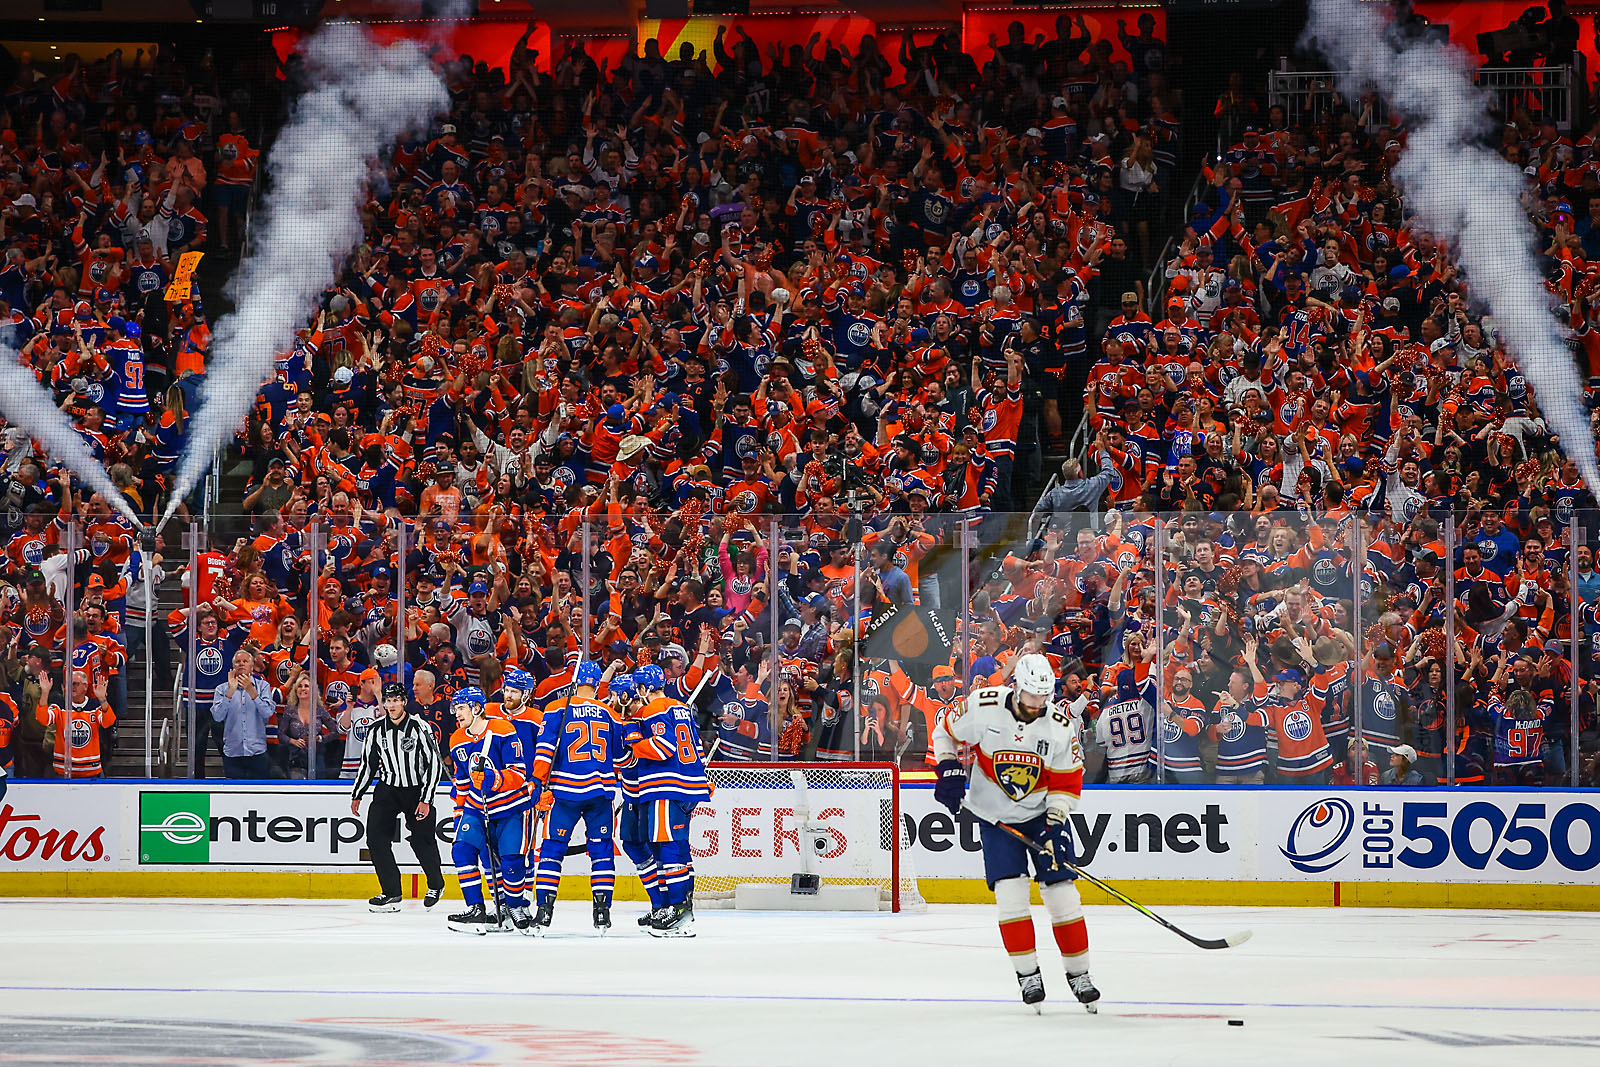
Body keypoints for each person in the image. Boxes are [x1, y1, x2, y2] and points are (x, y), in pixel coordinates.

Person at [930, 652, 1099, 1013]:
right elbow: (943, 731)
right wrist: (946, 767)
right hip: (994, 816)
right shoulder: (983, 705)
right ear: (1017, 688)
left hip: (1041, 815)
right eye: (1032, 695)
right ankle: (1028, 974)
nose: (1038, 703)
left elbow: (1066, 782)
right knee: (1010, 894)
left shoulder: (1058, 724)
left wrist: (1055, 824)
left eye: (1044, 696)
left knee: (1062, 894)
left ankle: (1079, 973)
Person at [527, 660, 637, 934]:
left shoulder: (556, 708)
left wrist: (537, 783)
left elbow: (545, 750)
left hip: (565, 793)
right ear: (597, 683)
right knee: (601, 853)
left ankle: (544, 913)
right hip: (600, 792)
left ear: (575, 682)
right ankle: (602, 914)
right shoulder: (609, 713)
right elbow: (622, 757)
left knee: (552, 851)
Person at [621, 663, 712, 937]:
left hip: (666, 787)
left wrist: (633, 741)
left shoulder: (654, 709)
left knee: (668, 848)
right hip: (688, 785)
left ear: (643, 688)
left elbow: (663, 747)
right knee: (677, 848)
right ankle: (681, 907)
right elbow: (695, 747)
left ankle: (677, 909)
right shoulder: (681, 707)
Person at [443, 686, 533, 934]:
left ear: (476, 708)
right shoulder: (457, 739)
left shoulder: (503, 730)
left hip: (510, 806)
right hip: (476, 807)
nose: (457, 714)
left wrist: (493, 779)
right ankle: (476, 909)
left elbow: (518, 772)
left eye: (461, 708)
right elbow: (461, 781)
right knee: (461, 850)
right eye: (455, 708)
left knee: (511, 860)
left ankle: (513, 906)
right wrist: (459, 811)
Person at [351, 682, 447, 912]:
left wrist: (426, 799)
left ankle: (436, 884)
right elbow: (368, 764)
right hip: (388, 789)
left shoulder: (420, 727)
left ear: (404, 702)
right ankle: (391, 892)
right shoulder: (375, 730)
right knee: (375, 839)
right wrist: (358, 794)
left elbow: (434, 763)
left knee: (422, 839)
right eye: (388, 700)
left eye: (396, 700)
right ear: (383, 703)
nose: (392, 705)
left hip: (416, 790)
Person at [210, 649, 277, 779]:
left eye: (245, 661)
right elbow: (217, 717)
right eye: (238, 662)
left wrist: (251, 691)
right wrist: (230, 692)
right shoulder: (222, 689)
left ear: (251, 667)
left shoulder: (263, 686)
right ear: (233, 667)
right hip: (233, 753)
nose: (241, 664)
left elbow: (268, 712)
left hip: (257, 753)